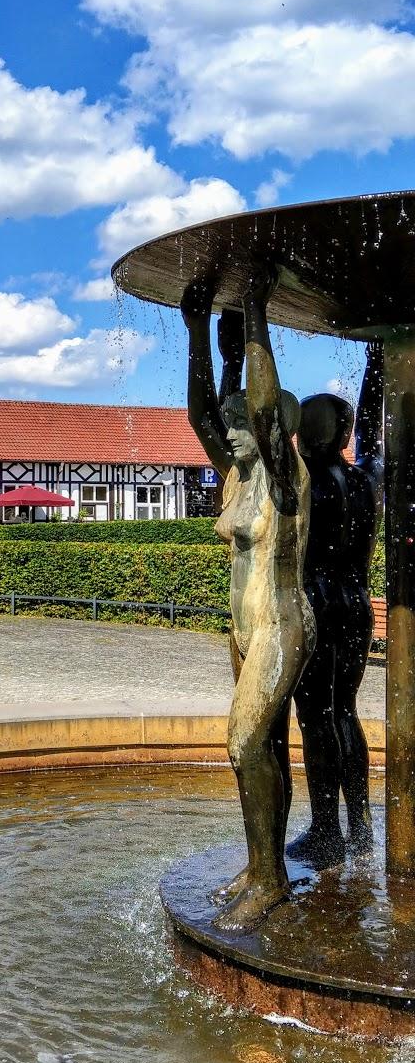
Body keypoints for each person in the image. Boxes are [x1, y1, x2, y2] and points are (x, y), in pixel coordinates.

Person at [181, 267, 315, 932]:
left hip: (282, 625)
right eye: (231, 421)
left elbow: (257, 409)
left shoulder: (286, 474)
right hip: (243, 628)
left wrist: (256, 312)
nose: (230, 427)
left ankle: (268, 882)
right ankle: (264, 865)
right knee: (262, 751)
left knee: (241, 743)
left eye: (244, 421)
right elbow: (201, 412)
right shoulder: (237, 475)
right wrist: (197, 335)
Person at [288, 345, 383, 865]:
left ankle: (326, 829)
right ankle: (361, 826)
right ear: (344, 435)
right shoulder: (367, 480)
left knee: (316, 716)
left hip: (317, 606)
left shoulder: (305, 480)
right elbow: (373, 434)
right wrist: (374, 368)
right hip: (357, 607)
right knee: (345, 711)